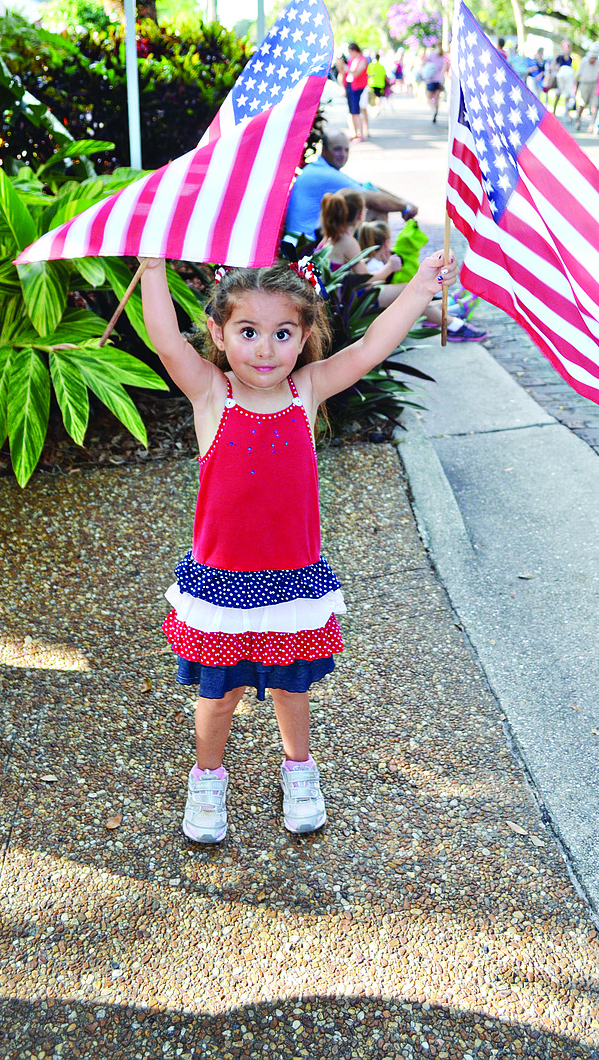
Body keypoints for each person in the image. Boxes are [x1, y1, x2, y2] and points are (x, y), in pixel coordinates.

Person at [140, 249, 460, 842]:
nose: (265, 349)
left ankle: (299, 769)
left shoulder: (305, 390)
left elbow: (368, 350)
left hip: (291, 580)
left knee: (292, 688)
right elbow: (164, 343)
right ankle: (208, 777)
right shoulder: (213, 394)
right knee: (219, 695)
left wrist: (418, 287)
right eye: (248, 332)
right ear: (218, 332)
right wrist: (153, 271)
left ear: (304, 334)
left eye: (282, 333)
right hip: (222, 584)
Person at [320, 194, 486, 340]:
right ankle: (454, 326)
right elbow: (366, 281)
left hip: (341, 297)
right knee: (412, 291)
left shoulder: (332, 236)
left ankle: (448, 311)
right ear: (361, 214)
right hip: (350, 301)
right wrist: (389, 268)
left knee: (412, 294)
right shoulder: (348, 241)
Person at [283, 129, 417, 241]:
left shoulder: (320, 168)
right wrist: (405, 207)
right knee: (377, 210)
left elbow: (368, 186)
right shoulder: (325, 174)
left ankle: (377, 261)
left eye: (346, 150)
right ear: (324, 150)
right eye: (337, 149)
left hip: (309, 237)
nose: (343, 155)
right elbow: (370, 198)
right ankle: (377, 264)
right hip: (307, 244)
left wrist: (404, 202)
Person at [342, 42, 369, 142]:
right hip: (350, 85)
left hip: (358, 88)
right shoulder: (351, 60)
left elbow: (357, 73)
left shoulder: (362, 60)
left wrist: (348, 70)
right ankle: (353, 132)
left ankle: (360, 133)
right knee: (351, 111)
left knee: (357, 111)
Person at [573, 45, 599, 130]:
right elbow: (577, 75)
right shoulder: (584, 61)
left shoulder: (598, 63)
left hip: (594, 84)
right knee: (581, 105)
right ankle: (578, 120)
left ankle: (592, 124)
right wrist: (574, 88)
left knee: (594, 104)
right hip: (584, 84)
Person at [421, 43, 449, 123]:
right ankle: (436, 110)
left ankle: (433, 110)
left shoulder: (432, 55)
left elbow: (424, 62)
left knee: (429, 97)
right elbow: (445, 67)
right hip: (439, 79)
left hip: (431, 79)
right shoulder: (444, 56)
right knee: (436, 98)